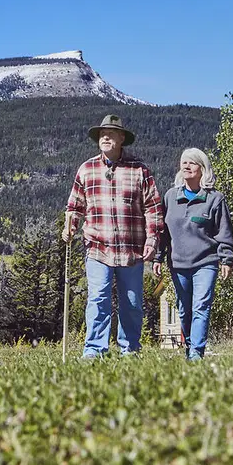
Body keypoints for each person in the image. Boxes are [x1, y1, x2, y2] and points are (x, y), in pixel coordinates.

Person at [64, 114, 164, 358]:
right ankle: (94, 350)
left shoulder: (139, 170)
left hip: (132, 249)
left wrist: (152, 240)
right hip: (97, 247)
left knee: (131, 304)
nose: (105, 137)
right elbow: (75, 206)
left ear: (122, 139)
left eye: (111, 133)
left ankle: (130, 350)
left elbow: (153, 208)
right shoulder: (86, 170)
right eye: (102, 134)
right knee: (98, 299)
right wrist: (70, 226)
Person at [153, 148, 233, 360]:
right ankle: (190, 348)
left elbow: (224, 231)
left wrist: (226, 259)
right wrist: (158, 257)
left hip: (206, 262)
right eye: (184, 162)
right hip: (178, 264)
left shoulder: (214, 199)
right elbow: (163, 232)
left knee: (201, 306)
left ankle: (197, 353)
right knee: (184, 310)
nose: (186, 166)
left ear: (202, 169)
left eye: (192, 163)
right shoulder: (171, 197)